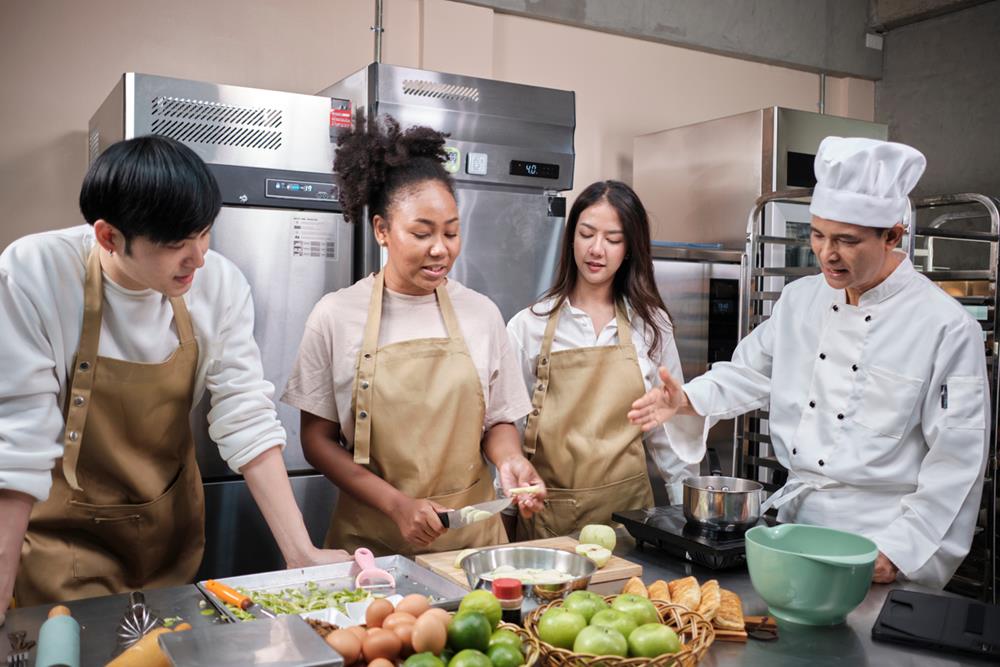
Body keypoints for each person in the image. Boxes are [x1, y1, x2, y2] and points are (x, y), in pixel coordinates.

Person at [0, 136, 349, 621]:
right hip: (66, 547)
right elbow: (19, 442)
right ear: (108, 237)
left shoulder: (220, 284)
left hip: (170, 539)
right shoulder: (36, 273)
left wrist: (301, 553)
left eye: (204, 233)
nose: (199, 257)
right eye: (175, 245)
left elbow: (244, 414)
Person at [629, 137, 989, 588]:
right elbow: (749, 374)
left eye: (846, 240)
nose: (826, 253)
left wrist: (898, 551)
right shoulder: (801, 299)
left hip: (880, 538)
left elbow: (957, 460)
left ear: (893, 235)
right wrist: (687, 399)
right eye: (817, 235)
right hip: (796, 526)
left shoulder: (946, 327)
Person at [281, 114, 546, 557]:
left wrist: (510, 460)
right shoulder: (335, 315)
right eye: (422, 233)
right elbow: (317, 440)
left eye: (452, 232)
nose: (441, 248)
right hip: (373, 546)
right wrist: (397, 504)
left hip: (471, 547)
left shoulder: (481, 314)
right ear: (382, 230)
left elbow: (498, 420)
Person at [506, 180, 702, 539]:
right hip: (548, 514)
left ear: (630, 248)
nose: (597, 249)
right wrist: (506, 511)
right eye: (586, 234)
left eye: (613, 239)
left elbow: (667, 427)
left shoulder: (651, 324)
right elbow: (510, 429)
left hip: (629, 516)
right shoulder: (528, 326)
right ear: (571, 239)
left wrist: (687, 513)